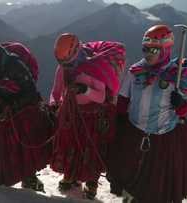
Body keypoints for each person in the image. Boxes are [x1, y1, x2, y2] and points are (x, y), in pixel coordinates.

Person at [107, 24, 187, 203]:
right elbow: (123, 100)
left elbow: (186, 111)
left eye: (154, 49)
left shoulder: (177, 76)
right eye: (145, 48)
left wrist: (181, 103)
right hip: (134, 132)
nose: (148, 53)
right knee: (130, 175)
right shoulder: (136, 72)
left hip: (162, 137)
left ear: (166, 50)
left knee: (155, 184)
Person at [0, 32, 53, 191]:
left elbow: (30, 92)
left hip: (21, 110)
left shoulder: (14, 65)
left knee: (21, 143)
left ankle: (28, 176)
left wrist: (12, 107)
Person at [49, 33, 125, 199]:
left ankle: (91, 182)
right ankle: (71, 176)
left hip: (93, 116)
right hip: (73, 113)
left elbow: (102, 96)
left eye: (68, 62)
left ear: (76, 53)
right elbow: (56, 89)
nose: (66, 66)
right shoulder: (64, 68)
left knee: (91, 148)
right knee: (73, 146)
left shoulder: (93, 67)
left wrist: (85, 90)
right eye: (63, 63)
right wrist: (54, 104)